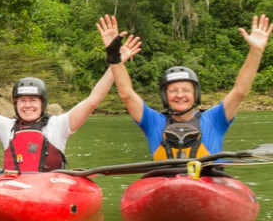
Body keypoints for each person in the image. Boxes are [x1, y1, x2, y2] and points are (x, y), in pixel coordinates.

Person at [0, 23, 140, 172]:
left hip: (50, 188)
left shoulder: (60, 124)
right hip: (15, 188)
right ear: (16, 104)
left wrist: (115, 63)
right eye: (22, 100)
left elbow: (93, 100)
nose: (27, 105)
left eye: (33, 100)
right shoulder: (6, 127)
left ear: (43, 103)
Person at [98, 13, 271, 158]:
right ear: (165, 96)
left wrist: (256, 51)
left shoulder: (215, 119)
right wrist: (114, 57)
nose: (180, 95)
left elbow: (240, 91)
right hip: (167, 189)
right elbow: (126, 94)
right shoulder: (153, 122)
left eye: (186, 90)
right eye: (173, 90)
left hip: (208, 188)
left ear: (195, 94)